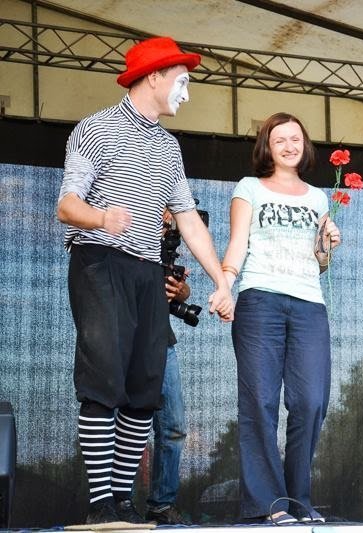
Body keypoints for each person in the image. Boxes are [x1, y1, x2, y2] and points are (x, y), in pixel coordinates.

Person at [56, 36, 233, 525]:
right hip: (99, 260)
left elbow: (188, 219)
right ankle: (100, 506)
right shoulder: (96, 129)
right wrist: (101, 218)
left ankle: (123, 502)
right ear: (153, 76)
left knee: (145, 388)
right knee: (104, 380)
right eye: (182, 82)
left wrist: (221, 281)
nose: (187, 94)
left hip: (146, 270)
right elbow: (66, 205)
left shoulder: (168, 146)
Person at [220, 112, 341, 525]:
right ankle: (268, 505)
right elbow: (238, 243)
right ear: (267, 148)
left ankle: (298, 501)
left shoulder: (318, 198)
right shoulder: (249, 188)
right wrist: (225, 284)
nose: (289, 146)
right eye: (280, 140)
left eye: (295, 139)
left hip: (308, 304)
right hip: (260, 300)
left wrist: (328, 246)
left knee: (311, 401)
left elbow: (320, 263)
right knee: (260, 401)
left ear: (305, 145)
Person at [145, 210, 191, 526]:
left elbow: (179, 290)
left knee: (173, 426)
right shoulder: (124, 235)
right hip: (123, 339)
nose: (168, 222)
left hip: (162, 340)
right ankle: (114, 503)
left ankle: (162, 505)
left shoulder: (167, 249)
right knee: (120, 422)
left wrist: (181, 290)